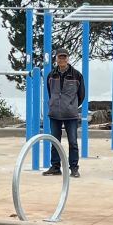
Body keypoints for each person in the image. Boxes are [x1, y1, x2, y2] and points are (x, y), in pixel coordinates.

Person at [42, 47, 86, 178]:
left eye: (64, 57)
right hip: (54, 113)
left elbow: (81, 95)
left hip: (71, 114)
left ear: (68, 59)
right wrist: (54, 103)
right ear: (56, 59)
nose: (62, 59)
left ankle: (74, 168)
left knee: (73, 142)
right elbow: (50, 92)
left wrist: (72, 105)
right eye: (60, 57)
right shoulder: (51, 75)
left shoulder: (77, 75)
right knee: (55, 141)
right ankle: (55, 167)